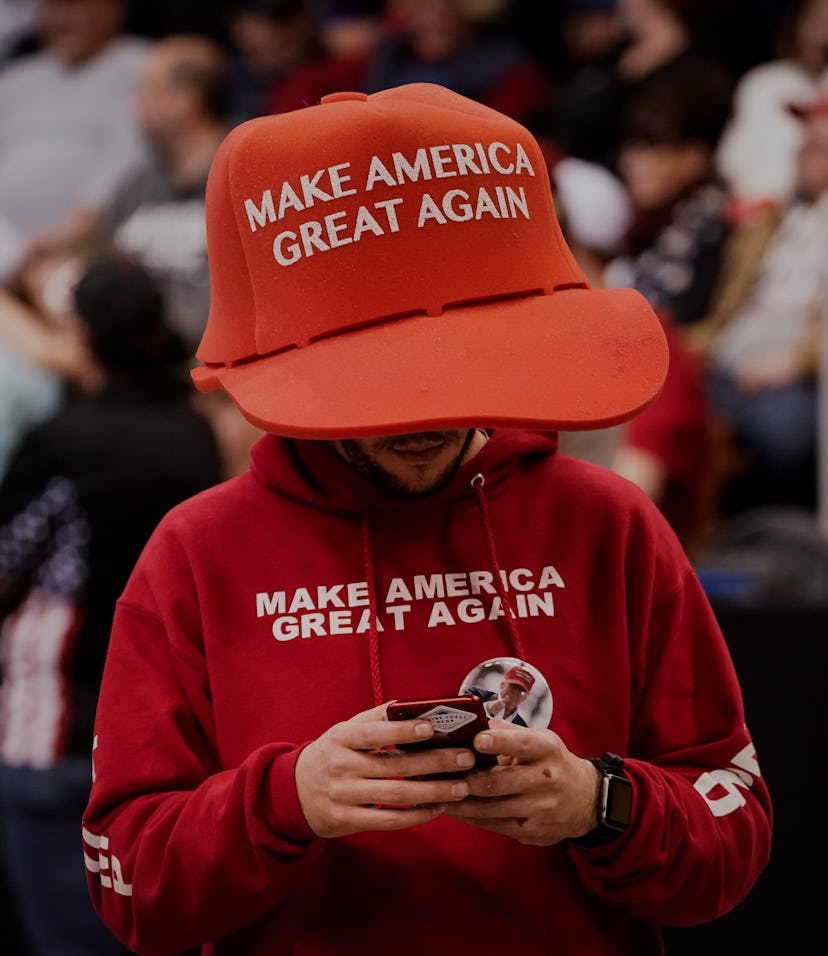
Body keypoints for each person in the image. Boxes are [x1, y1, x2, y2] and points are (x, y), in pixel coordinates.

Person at [82, 83, 771, 955]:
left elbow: (734, 836)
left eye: (454, 369)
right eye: (376, 383)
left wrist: (600, 804)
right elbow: (128, 884)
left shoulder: (610, 528)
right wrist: (286, 802)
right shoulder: (197, 552)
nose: (422, 415)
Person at [0, 252, 223, 956]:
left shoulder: (65, 441)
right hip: (161, 730)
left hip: (55, 729)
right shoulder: (193, 435)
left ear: (86, 336)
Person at [699, 90, 828, 513]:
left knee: (785, 433)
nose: (800, 154)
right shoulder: (782, 217)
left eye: (817, 146)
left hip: (794, 375)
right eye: (803, 142)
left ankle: (770, 536)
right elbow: (728, 309)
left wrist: (797, 360)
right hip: (727, 359)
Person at [0, 0, 151, 282]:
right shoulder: (15, 80)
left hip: (90, 255)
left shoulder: (141, 66)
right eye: (53, 8)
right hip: (9, 259)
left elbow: (130, 158)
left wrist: (75, 228)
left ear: (111, 10)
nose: (63, 20)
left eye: (74, 7)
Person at [463, 665, 535, 727]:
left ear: (525, 697)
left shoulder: (522, 727)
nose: (515, 693)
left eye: (521, 692)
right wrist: (487, 708)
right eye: (513, 687)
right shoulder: (476, 694)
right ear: (502, 684)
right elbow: (462, 709)